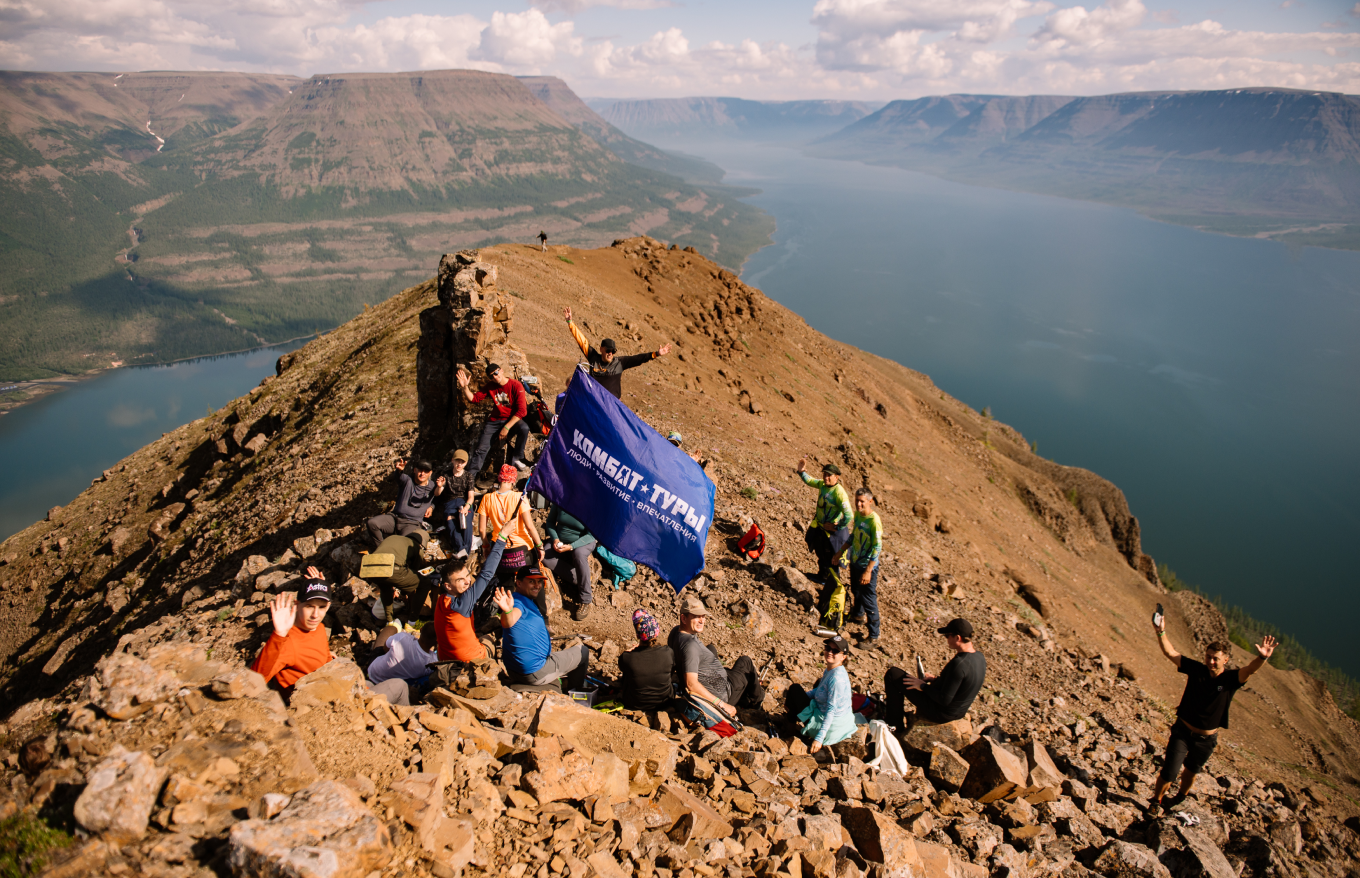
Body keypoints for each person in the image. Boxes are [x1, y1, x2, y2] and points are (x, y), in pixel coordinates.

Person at [1147, 620, 1276, 816]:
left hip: (1206, 740)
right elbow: (1171, 653)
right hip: (1182, 732)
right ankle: (1156, 802)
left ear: (1226, 659)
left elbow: (1250, 670)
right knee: (1170, 771)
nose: (1211, 661)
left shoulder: (1231, 679)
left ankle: (1180, 797)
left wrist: (1262, 657)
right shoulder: (1197, 669)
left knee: (1191, 771)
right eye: (1208, 657)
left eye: (1215, 658)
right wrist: (1161, 632)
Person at [251, 568, 408, 706]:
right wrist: (278, 635)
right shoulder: (286, 641)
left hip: (336, 685)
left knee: (367, 682)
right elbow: (254, 681)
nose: (315, 614)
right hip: (327, 702)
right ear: (297, 604)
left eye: (321, 607)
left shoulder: (318, 628)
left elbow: (317, 656)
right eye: (309, 607)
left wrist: (328, 658)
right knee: (399, 686)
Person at [432, 515, 514, 688]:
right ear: (448, 585)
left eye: (467, 576)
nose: (467, 582)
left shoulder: (442, 600)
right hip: (470, 659)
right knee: (492, 637)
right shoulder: (462, 603)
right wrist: (502, 537)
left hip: (445, 659)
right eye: (460, 580)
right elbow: (486, 574)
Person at [668, 594, 763, 718]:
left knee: (711, 648)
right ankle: (757, 702)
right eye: (696, 617)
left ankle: (746, 690)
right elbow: (691, 683)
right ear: (684, 618)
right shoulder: (690, 646)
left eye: (703, 616)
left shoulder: (675, 632)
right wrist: (722, 704)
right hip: (724, 693)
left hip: (714, 678)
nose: (702, 620)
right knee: (745, 662)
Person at [884, 618, 986, 732]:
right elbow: (960, 684)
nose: (947, 639)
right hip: (958, 712)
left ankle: (894, 726)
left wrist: (922, 686)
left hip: (941, 713)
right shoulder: (979, 657)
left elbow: (944, 699)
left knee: (893, 674)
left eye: (948, 636)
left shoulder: (959, 664)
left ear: (958, 638)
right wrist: (935, 679)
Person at [492, 572, 590, 691]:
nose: (537, 585)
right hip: (534, 670)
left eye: (539, 582)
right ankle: (577, 696)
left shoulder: (524, 599)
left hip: (516, 670)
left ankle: (526, 686)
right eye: (531, 581)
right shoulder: (518, 603)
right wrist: (507, 611)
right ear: (518, 583)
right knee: (583, 652)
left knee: (556, 686)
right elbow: (509, 622)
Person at [564, 306, 671, 399]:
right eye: (608, 350)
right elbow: (582, 341)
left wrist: (656, 354)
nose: (610, 353)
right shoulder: (593, 357)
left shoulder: (619, 362)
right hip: (595, 401)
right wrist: (570, 323)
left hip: (612, 405)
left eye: (613, 351)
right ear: (601, 349)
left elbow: (638, 358)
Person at [456, 363, 530, 479]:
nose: (495, 377)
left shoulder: (516, 385)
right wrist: (465, 387)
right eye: (491, 376)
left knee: (524, 428)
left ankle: (517, 457)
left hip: (511, 419)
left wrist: (506, 428)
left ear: (501, 370)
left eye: (496, 373)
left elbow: (522, 411)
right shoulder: (490, 386)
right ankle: (469, 479)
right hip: (494, 421)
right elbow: (474, 399)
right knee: (481, 449)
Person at [785, 635, 857, 752]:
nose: (829, 652)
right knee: (811, 687)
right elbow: (820, 690)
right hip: (841, 722)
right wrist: (800, 698)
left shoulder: (836, 679)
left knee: (795, 689)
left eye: (835, 651)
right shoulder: (833, 669)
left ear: (843, 656)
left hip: (830, 728)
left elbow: (831, 710)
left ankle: (789, 732)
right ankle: (791, 717)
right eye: (828, 648)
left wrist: (819, 738)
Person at [476, 464, 542, 588]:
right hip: (523, 548)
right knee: (535, 585)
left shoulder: (487, 498)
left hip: (501, 549)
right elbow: (529, 526)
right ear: (513, 480)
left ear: (500, 478)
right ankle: (538, 606)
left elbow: (481, 529)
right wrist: (540, 546)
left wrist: (486, 546)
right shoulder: (519, 497)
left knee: (506, 588)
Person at [797, 458, 854, 586]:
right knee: (821, 552)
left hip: (832, 533)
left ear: (837, 477)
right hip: (820, 527)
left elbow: (849, 515)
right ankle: (822, 577)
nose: (826, 477)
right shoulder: (822, 484)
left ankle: (833, 586)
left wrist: (838, 526)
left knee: (831, 558)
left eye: (829, 475)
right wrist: (802, 472)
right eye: (824, 474)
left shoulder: (839, 493)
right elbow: (810, 481)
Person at [837, 487, 883, 641]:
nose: (858, 504)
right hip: (855, 561)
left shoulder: (874, 521)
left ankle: (874, 636)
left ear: (870, 501)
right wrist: (840, 552)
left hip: (866, 566)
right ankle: (857, 615)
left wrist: (869, 570)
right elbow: (853, 536)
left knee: (868, 598)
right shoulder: (858, 516)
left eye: (862, 501)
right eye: (857, 500)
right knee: (856, 591)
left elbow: (877, 547)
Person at [367, 458, 444, 548]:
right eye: (420, 470)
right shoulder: (407, 480)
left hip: (411, 523)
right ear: (415, 470)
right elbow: (399, 477)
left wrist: (431, 507)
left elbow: (438, 496)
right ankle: (380, 549)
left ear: (430, 473)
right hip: (395, 518)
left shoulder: (433, 486)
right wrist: (399, 470)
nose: (422, 474)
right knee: (372, 523)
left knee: (404, 544)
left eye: (426, 471)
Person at [542, 504, 597, 621]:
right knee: (544, 556)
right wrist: (555, 539)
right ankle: (579, 578)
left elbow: (591, 535)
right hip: (561, 540)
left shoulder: (591, 504)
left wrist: (572, 546)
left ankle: (586, 599)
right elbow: (550, 522)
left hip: (583, 542)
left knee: (579, 554)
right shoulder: (561, 500)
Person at [364, 534, 431, 624]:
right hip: (391, 568)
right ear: (422, 543)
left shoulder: (393, 537)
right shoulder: (415, 546)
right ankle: (412, 621)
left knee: (385, 588)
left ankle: (389, 621)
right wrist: (403, 593)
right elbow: (413, 571)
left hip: (369, 568)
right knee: (424, 584)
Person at [618, 610, 675, 712]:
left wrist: (631, 651)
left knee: (628, 673)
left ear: (638, 635)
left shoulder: (627, 658)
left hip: (635, 704)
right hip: (665, 703)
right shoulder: (668, 653)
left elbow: (622, 665)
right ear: (657, 633)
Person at [366, 623, 439, 690]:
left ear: (421, 629)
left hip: (372, 672)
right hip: (388, 687)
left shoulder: (403, 637)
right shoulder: (431, 662)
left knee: (391, 629)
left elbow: (385, 648)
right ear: (437, 641)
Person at [440, 449, 478, 558]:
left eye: (462, 462)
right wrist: (439, 486)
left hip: (464, 502)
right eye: (457, 461)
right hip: (450, 503)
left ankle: (464, 551)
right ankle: (461, 549)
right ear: (452, 460)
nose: (459, 464)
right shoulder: (446, 474)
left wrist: (466, 507)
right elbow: (437, 494)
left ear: (466, 463)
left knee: (466, 519)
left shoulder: (468, 476)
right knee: (450, 523)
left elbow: (471, 497)